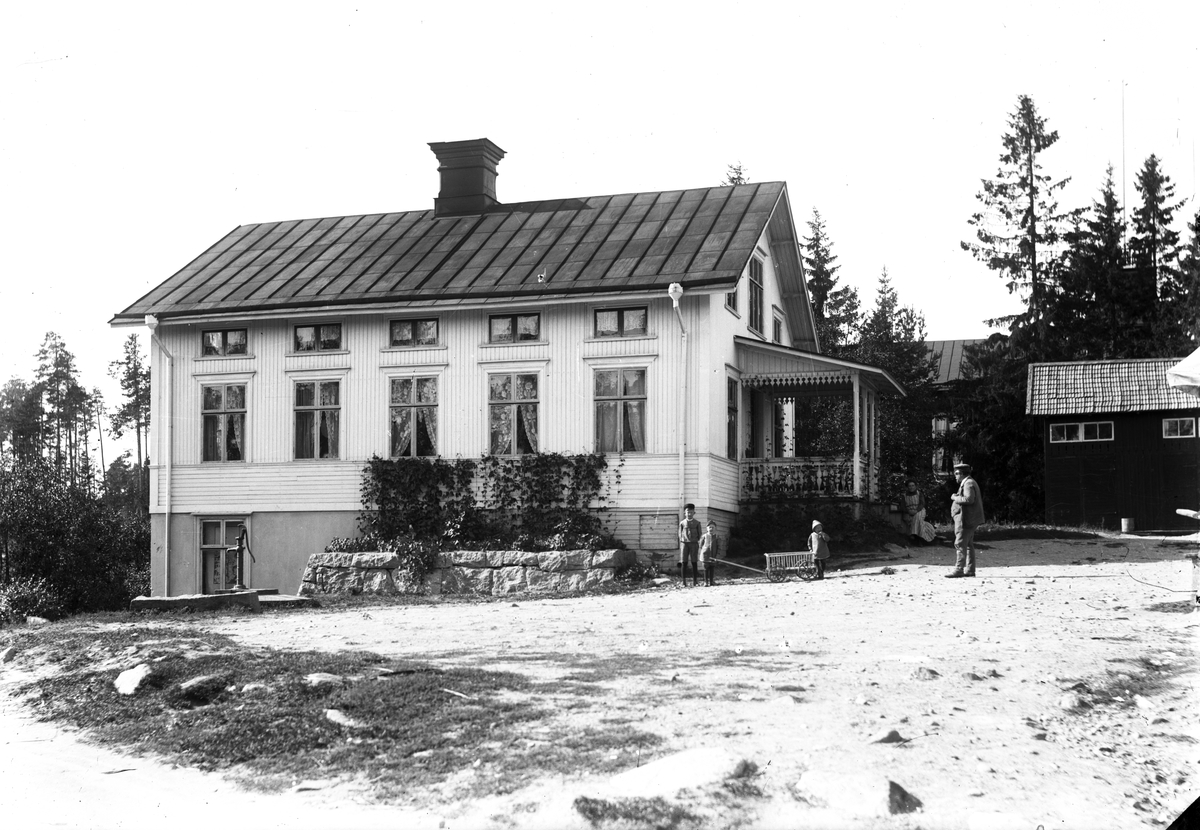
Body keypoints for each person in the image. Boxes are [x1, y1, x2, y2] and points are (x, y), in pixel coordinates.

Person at [946, 463, 985, 578]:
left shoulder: (968, 483)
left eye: (956, 473)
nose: (955, 476)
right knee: (968, 544)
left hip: (966, 519)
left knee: (960, 543)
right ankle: (970, 570)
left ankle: (959, 569)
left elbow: (969, 499)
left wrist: (954, 497)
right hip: (968, 518)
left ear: (962, 473)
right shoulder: (969, 482)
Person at [902, 479, 932, 545]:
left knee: (917, 517)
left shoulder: (919, 494)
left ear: (915, 486)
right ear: (907, 487)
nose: (911, 487)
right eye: (909, 486)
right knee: (919, 521)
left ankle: (913, 535)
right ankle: (920, 539)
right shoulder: (904, 495)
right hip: (908, 511)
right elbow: (903, 506)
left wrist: (916, 510)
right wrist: (908, 511)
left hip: (919, 510)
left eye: (913, 485)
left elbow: (922, 503)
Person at [678, 503, 701, 587]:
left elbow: (700, 534)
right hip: (684, 544)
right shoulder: (682, 523)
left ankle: (695, 581)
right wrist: (683, 541)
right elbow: (679, 534)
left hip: (694, 544)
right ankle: (683, 582)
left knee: (694, 562)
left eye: (691, 512)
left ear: (694, 513)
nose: (689, 514)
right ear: (685, 513)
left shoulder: (697, 523)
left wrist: (695, 540)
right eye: (688, 512)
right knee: (684, 562)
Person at [698, 519, 719, 586]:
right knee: (706, 568)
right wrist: (704, 551)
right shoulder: (704, 536)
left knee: (712, 568)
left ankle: (711, 581)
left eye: (713, 527)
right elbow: (700, 545)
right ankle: (705, 582)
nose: (711, 529)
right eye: (709, 527)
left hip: (713, 556)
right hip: (705, 556)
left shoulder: (716, 537)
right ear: (707, 528)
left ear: (715, 528)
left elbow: (719, 547)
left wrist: (717, 556)